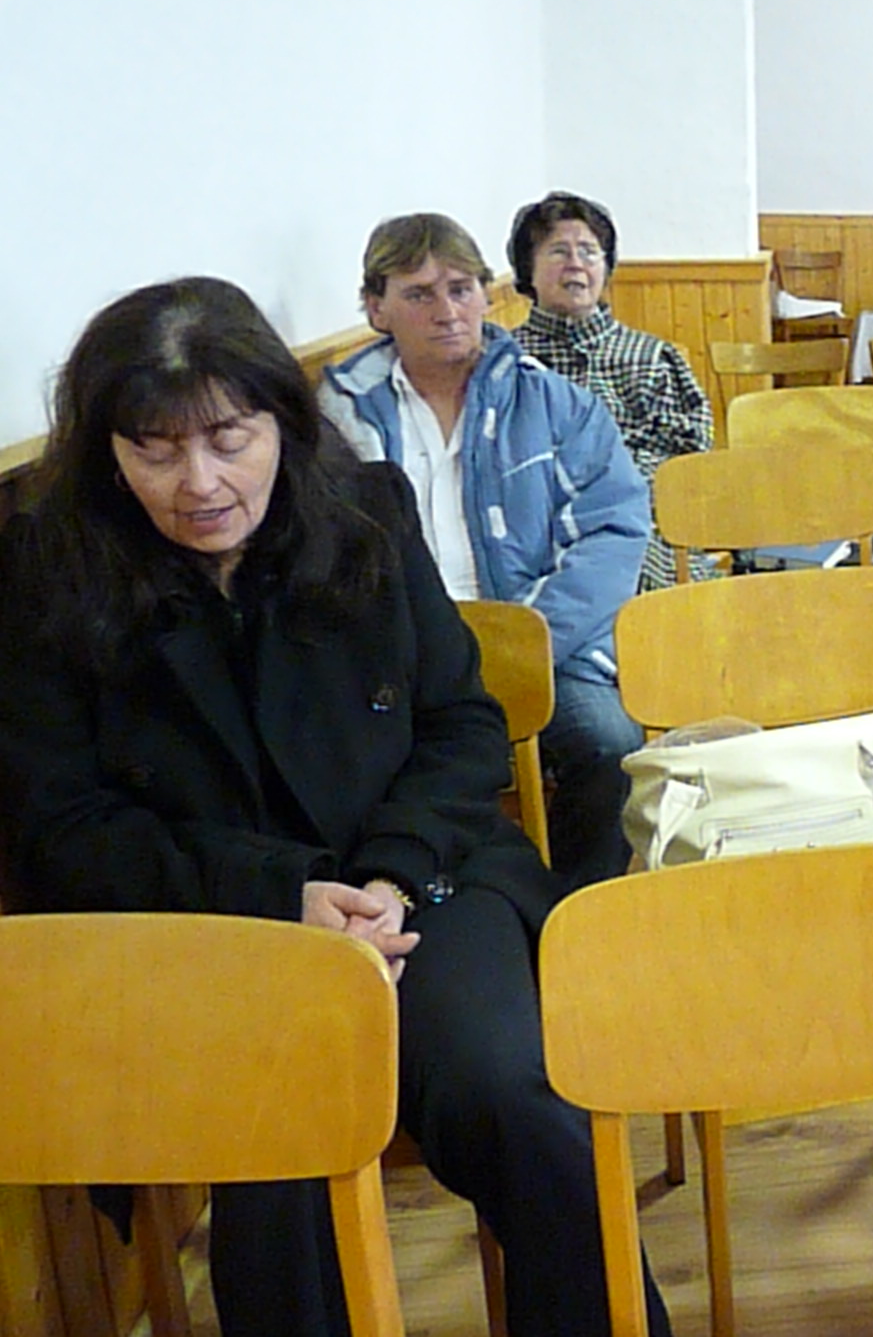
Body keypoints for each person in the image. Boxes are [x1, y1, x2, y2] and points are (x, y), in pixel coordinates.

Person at [0, 278, 674, 1337]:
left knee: (513, 1094)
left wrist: (385, 877)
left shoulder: (365, 514)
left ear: (282, 420)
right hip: (207, 927)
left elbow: (461, 727)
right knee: (280, 1147)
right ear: (107, 452)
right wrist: (287, 899)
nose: (199, 483)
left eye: (229, 439)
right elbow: (63, 825)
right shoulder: (47, 569)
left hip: (421, 880)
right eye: (154, 451)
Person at [322, 213, 651, 886]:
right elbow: (326, 557)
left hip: (541, 643)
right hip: (398, 656)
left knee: (610, 742)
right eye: (419, 294)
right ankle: (417, 898)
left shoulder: (556, 404)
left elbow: (612, 532)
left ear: (486, 295)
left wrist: (525, 642)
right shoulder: (338, 420)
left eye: (461, 288)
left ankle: (577, 905)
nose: (447, 311)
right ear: (377, 308)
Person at [506, 190, 714, 590]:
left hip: (640, 524)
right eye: (558, 251)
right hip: (532, 531)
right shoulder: (506, 364)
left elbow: (687, 460)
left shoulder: (652, 356)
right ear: (527, 268)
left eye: (588, 251)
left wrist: (607, 487)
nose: (575, 263)